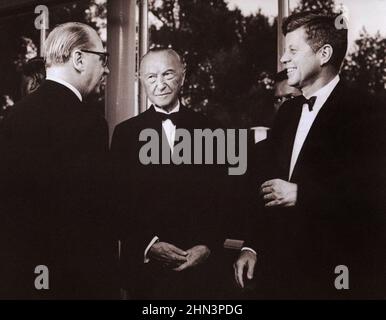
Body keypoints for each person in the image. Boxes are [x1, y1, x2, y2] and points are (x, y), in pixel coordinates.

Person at [234, 11, 385, 299]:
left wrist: (302, 194)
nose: (283, 59)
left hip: (336, 277)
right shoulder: (288, 112)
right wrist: (250, 247)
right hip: (280, 278)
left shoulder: (368, 111)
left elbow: (372, 196)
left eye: (292, 50)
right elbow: (266, 188)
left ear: (324, 54)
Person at [0, 22, 116, 299]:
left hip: (21, 278)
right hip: (73, 282)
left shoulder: (15, 116)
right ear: (78, 58)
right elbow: (94, 217)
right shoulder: (90, 123)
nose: (107, 69)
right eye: (103, 59)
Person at [110, 48, 227, 299]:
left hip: (200, 273)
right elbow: (115, 202)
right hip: (146, 274)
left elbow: (224, 198)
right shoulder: (125, 134)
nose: (160, 84)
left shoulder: (211, 129)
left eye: (168, 74)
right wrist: (149, 246)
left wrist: (208, 245)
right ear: (140, 80)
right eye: (151, 77)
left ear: (183, 77)